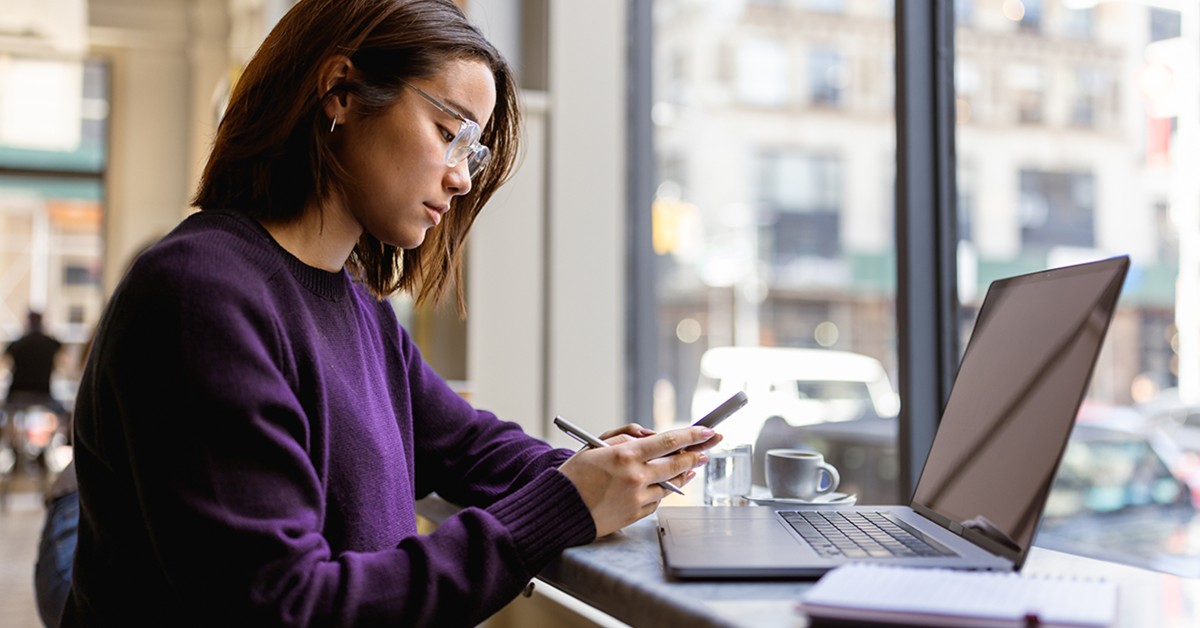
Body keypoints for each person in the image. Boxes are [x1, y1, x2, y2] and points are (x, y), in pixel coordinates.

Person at [64, 0, 721, 625]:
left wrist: (615, 471)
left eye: (476, 150)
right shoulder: (199, 295)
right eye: (449, 132)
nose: (463, 177)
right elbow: (286, 607)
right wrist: (561, 507)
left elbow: (469, 447)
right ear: (341, 93)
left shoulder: (355, 304)